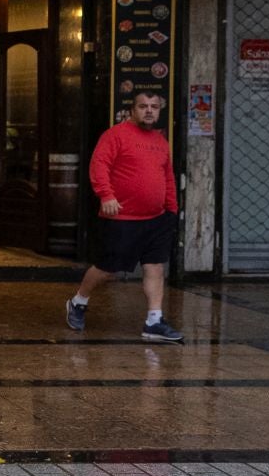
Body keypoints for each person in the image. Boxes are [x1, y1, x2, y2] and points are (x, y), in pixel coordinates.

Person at [65, 89, 183, 342]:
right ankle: (78, 301)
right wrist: (106, 195)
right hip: (122, 218)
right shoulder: (115, 135)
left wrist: (172, 209)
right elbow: (99, 165)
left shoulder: (161, 141)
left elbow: (167, 177)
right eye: (143, 106)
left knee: (155, 267)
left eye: (154, 106)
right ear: (132, 110)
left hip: (157, 218)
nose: (149, 110)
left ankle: (153, 321)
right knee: (108, 270)